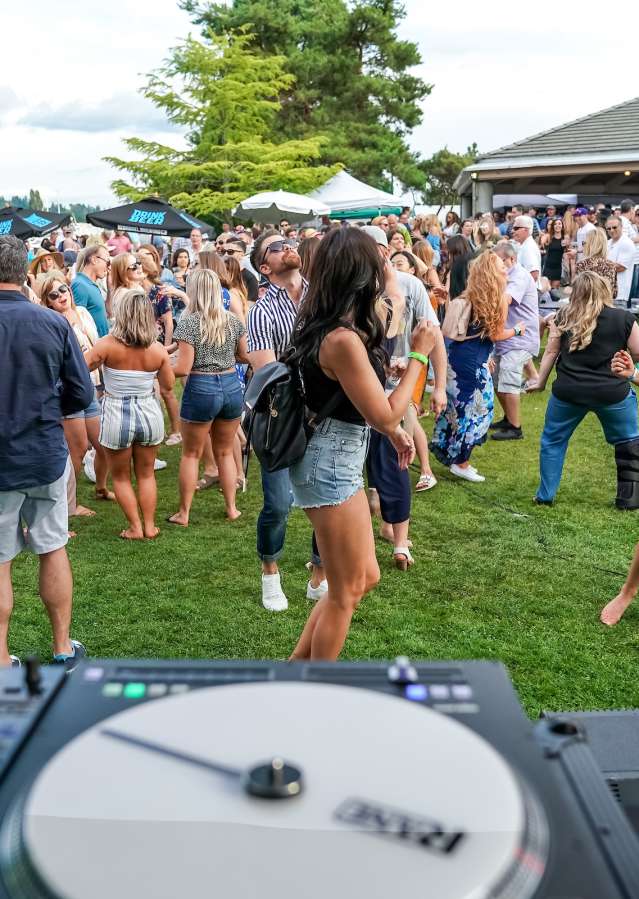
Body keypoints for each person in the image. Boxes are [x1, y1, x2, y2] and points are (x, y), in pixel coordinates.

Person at [287, 228, 436, 660]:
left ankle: (296, 667)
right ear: (360, 274)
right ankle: (312, 686)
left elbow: (369, 400)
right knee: (345, 590)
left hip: (336, 456)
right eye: (377, 265)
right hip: (330, 462)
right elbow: (384, 412)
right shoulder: (341, 339)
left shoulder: (332, 326)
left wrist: (393, 431)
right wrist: (420, 355)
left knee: (363, 577)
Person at [0, 235, 92, 668]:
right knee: (52, 548)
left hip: (17, 456)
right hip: (42, 452)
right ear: (25, 274)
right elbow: (80, 393)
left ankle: (3, 658)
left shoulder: (51, 322)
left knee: (1, 561)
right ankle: (60, 647)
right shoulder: (52, 323)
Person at [247, 229, 326, 612]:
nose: (287, 247)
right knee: (277, 503)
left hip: (325, 414)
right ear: (265, 266)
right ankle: (270, 571)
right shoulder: (260, 311)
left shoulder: (322, 296)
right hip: (282, 417)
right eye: (276, 247)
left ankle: (319, 575)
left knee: (326, 500)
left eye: (288, 242)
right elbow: (269, 372)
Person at [527, 272, 639, 505]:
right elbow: (638, 351)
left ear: (575, 293)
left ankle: (545, 496)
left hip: (569, 392)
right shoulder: (624, 318)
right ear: (605, 290)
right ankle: (630, 498)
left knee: (553, 441)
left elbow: (550, 352)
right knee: (629, 441)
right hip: (612, 393)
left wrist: (540, 381)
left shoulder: (563, 316)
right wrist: (628, 361)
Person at [85, 289, 174, 539]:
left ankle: (135, 527)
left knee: (121, 477)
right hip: (148, 412)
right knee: (146, 474)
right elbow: (167, 386)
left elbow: (81, 367)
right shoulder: (157, 350)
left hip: (116, 413)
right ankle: (148, 526)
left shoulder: (106, 345)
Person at [432, 251, 524, 482]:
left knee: (458, 407)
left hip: (457, 357)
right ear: (494, 273)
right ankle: (461, 462)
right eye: (501, 265)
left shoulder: (470, 295)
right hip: (473, 363)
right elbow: (495, 334)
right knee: (479, 410)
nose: (505, 267)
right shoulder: (497, 299)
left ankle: (455, 455)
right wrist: (517, 330)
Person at [168, 270, 247, 526]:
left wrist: (157, 366)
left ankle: (184, 513)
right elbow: (244, 355)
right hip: (231, 385)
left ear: (194, 291)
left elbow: (183, 368)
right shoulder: (232, 320)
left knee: (191, 453)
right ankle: (232, 508)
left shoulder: (190, 323)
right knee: (225, 452)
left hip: (202, 386)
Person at [41, 271, 113, 512]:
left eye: (63, 290)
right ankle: (68, 506)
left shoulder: (82, 313)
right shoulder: (48, 322)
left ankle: (101, 487)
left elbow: (96, 346)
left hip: (90, 385)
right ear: (47, 300)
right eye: (54, 294)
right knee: (78, 449)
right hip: (68, 391)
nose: (61, 296)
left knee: (103, 443)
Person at [489, 243, 540, 441]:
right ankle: (509, 419)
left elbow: (506, 299)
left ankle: (516, 428)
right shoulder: (503, 275)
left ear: (511, 259)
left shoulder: (519, 275)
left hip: (520, 337)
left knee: (508, 379)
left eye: (499, 260)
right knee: (496, 380)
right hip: (506, 337)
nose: (495, 264)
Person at [71, 245, 110, 337]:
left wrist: (110, 288)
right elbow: (77, 325)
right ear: (94, 260)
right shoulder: (80, 285)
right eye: (107, 262)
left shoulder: (89, 284)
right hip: (94, 347)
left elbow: (109, 313)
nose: (108, 267)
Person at [576, 228, 618, 297]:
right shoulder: (610, 265)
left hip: (586, 305)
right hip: (605, 304)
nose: (583, 246)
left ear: (590, 245)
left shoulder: (582, 264)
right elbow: (614, 293)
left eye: (584, 243)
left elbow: (579, 291)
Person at [606, 216, 636, 309]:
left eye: (615, 227)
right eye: (609, 228)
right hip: (607, 293)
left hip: (619, 295)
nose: (611, 230)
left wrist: (600, 266)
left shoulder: (626, 243)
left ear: (621, 227)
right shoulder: (608, 242)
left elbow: (620, 267)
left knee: (617, 323)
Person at [511, 215, 541, 286]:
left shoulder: (528, 247)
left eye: (516, 228)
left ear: (526, 229)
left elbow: (534, 274)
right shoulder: (525, 244)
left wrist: (521, 292)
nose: (512, 231)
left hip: (529, 294)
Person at [541, 218, 566, 288]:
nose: (557, 226)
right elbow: (541, 245)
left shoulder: (565, 238)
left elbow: (567, 251)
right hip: (548, 267)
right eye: (555, 224)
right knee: (546, 290)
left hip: (558, 268)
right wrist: (543, 243)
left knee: (555, 292)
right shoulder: (548, 236)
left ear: (562, 226)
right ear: (553, 226)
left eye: (559, 224)